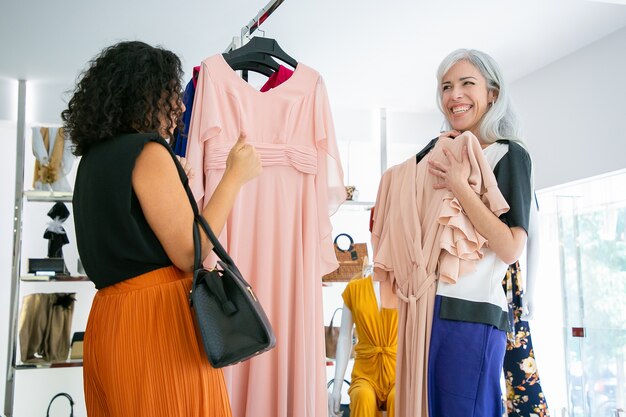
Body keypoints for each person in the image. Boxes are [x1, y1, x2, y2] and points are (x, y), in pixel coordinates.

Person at [62, 41, 262, 417]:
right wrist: (234, 177)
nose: (181, 107)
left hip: (110, 321)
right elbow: (191, 253)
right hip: (155, 326)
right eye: (171, 95)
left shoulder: (91, 161)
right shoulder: (147, 151)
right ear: (143, 96)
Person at [422, 48, 534, 416]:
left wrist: (461, 187)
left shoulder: (508, 155)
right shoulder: (439, 152)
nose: (454, 95)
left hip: (471, 312)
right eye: (446, 86)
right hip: (427, 307)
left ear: (493, 93)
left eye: (467, 83)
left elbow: (511, 247)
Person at [328, 270, 398, 417]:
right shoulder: (355, 289)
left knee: (397, 399)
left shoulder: (404, 288)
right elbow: (345, 337)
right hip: (365, 372)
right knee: (362, 396)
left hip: (396, 371)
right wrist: (337, 386)